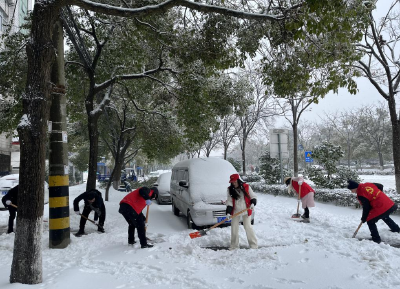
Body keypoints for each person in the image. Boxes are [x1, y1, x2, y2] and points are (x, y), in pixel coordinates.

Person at [226, 174, 258, 250]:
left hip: (246, 209)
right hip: (236, 211)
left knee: (248, 227)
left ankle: (253, 245)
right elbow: (229, 201)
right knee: (234, 228)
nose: (233, 183)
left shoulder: (246, 187)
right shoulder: (230, 189)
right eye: (232, 182)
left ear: (238, 180)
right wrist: (228, 212)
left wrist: (253, 203)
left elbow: (253, 196)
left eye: (235, 181)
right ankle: (234, 246)